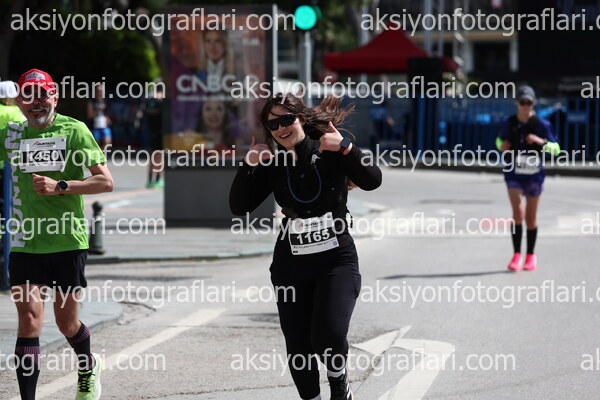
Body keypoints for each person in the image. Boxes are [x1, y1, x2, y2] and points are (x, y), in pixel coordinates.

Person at [230, 93, 382, 400]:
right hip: (291, 266)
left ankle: (339, 380)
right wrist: (248, 164)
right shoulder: (274, 164)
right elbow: (239, 206)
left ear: (300, 119)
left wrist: (347, 148)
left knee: (328, 336)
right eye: (273, 125)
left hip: (336, 260)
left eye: (287, 120)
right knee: (299, 346)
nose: (281, 128)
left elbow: (372, 180)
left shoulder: (329, 150)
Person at [4, 68, 114, 399]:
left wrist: (61, 185)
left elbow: (105, 181)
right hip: (25, 241)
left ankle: (88, 366)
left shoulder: (74, 130)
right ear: (19, 102)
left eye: (43, 95)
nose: (36, 102)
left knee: (67, 323)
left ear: (55, 97)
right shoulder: (10, 134)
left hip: (67, 240)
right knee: (29, 319)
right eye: (28, 96)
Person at [496, 85, 560, 271]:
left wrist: (541, 142)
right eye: (522, 102)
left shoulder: (543, 125)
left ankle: (530, 255)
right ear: (516, 103)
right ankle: (516, 254)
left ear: (534, 103)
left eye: (529, 102)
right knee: (518, 214)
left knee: (531, 218)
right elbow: (499, 140)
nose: (525, 106)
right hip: (513, 173)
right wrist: (501, 146)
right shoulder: (508, 122)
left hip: (534, 176)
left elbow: (557, 149)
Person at [87, 82, 112, 150]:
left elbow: (106, 114)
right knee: (95, 145)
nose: (100, 92)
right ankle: (97, 154)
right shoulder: (91, 102)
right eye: (99, 90)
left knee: (107, 143)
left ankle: (101, 153)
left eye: (102, 91)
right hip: (94, 127)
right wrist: (98, 109)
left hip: (104, 126)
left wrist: (108, 119)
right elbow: (89, 116)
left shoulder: (105, 101)